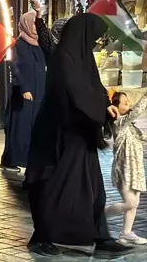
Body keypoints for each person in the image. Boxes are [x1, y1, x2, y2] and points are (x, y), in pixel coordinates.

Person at [25, 13, 133, 258]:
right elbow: (75, 93)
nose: (95, 42)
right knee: (57, 188)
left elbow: (92, 89)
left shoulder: (81, 59)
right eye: (94, 37)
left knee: (93, 189)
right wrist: (100, 107)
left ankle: (100, 237)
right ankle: (41, 237)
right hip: (60, 137)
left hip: (79, 133)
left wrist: (106, 104)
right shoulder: (64, 58)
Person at [0, 12, 46, 173]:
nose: (35, 27)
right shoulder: (17, 44)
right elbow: (15, 67)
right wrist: (23, 88)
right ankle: (11, 160)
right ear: (26, 24)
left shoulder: (39, 44)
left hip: (39, 91)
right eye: (33, 23)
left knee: (34, 127)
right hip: (24, 93)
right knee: (20, 127)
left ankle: (30, 159)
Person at [105, 92, 147, 245]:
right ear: (114, 108)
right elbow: (135, 112)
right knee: (130, 202)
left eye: (128, 102)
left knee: (135, 200)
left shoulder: (130, 126)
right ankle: (101, 215)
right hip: (124, 168)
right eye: (124, 103)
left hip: (136, 168)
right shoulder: (119, 123)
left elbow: (142, 137)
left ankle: (126, 233)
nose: (128, 105)